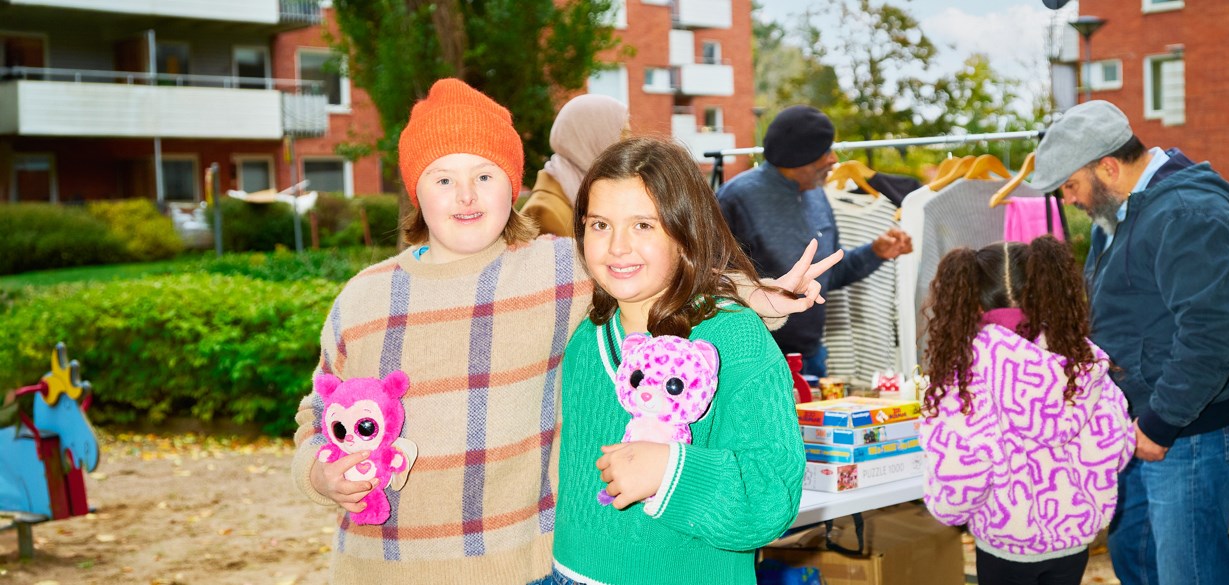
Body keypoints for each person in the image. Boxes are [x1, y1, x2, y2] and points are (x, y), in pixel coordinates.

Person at [289, 79, 832, 585]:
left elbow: (655, 259)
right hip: (381, 566)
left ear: (513, 181)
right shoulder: (362, 299)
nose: (466, 196)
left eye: (485, 174)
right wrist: (317, 471)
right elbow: (318, 409)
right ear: (415, 189)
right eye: (443, 177)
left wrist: (750, 294)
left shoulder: (559, 270)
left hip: (521, 565)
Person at [547, 137, 805, 584]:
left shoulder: (734, 338)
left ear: (685, 231)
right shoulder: (586, 336)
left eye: (644, 225)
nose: (617, 247)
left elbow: (772, 494)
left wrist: (672, 471)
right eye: (600, 225)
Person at [1028, 100, 1229, 585]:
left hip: (1189, 429)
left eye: (1071, 186)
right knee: (1136, 560)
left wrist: (1159, 424)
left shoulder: (1186, 214)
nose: (1069, 199)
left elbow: (1211, 335)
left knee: (1188, 574)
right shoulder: (1120, 212)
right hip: (1137, 424)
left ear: (1108, 167)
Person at [919, 236, 1135, 585]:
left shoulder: (967, 375)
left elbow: (960, 469)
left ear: (970, 303)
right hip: (1072, 542)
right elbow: (1117, 442)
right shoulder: (1082, 363)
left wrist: (950, 510)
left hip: (1005, 540)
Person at [717, 105, 913, 377]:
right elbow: (715, 284)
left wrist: (876, 252)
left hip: (813, 357)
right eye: (825, 152)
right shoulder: (735, 199)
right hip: (757, 362)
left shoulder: (818, 196)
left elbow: (829, 275)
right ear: (799, 156)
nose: (833, 159)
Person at [520, 94, 629, 237]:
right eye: (624, 136)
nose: (628, 147)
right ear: (592, 139)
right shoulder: (545, 211)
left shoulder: (584, 193)